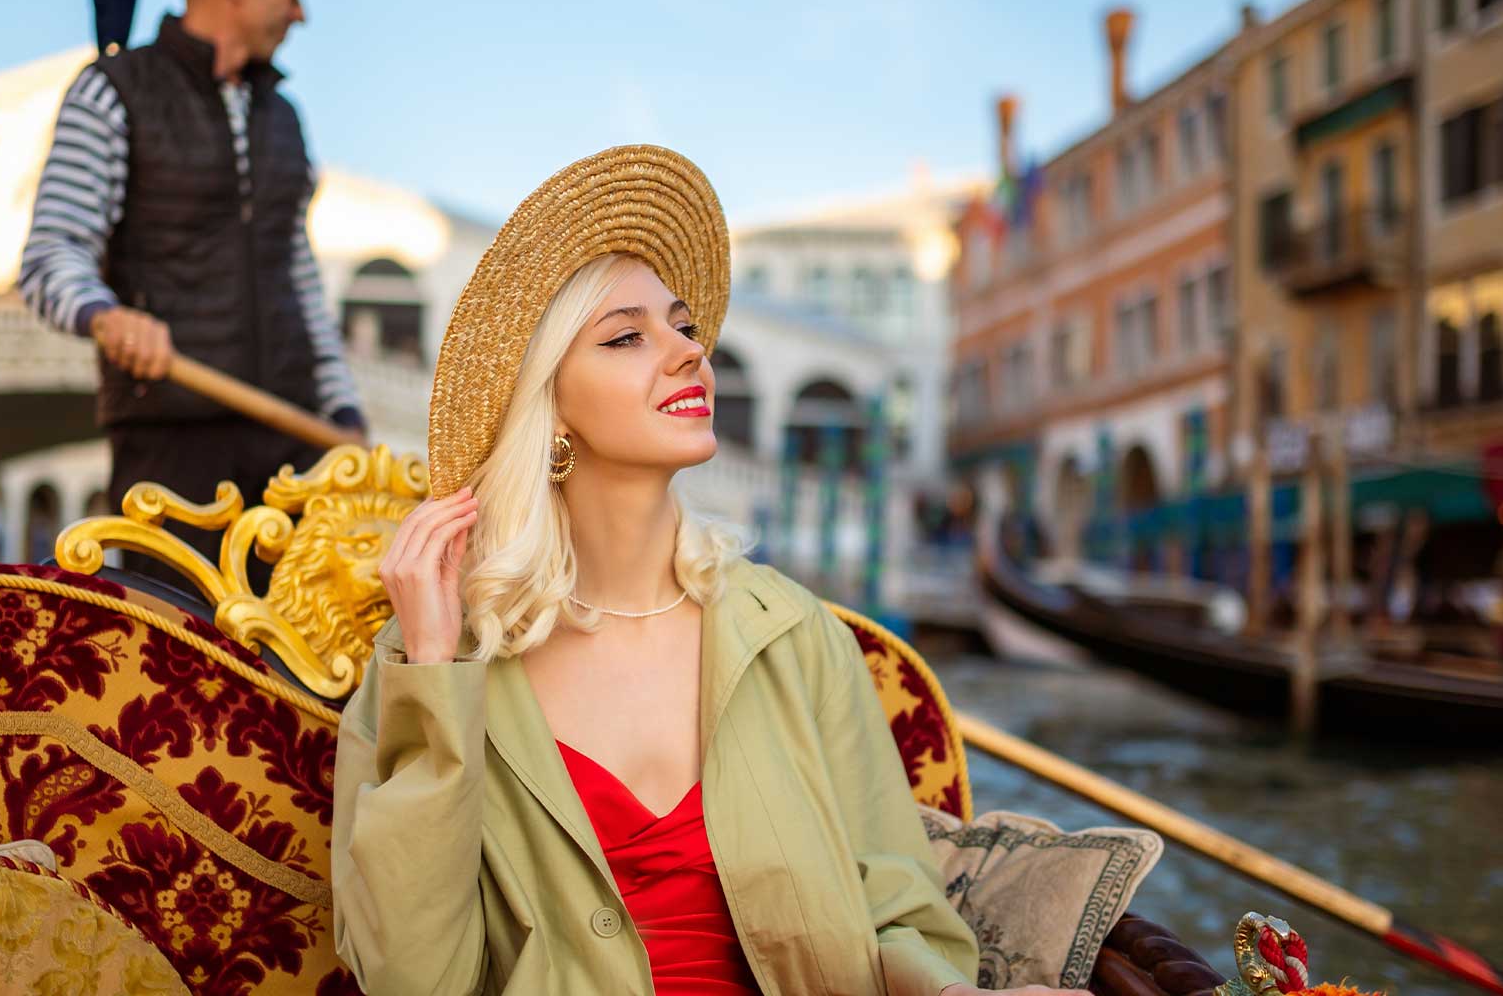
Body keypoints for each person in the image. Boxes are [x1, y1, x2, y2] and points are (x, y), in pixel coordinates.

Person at [330, 146, 1085, 996]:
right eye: (626, 336)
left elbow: (896, 914)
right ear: (548, 411)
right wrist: (434, 676)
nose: (689, 353)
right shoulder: (432, 660)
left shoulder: (796, 637)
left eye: (684, 328)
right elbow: (412, 978)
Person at [17, 0, 364, 585]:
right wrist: (107, 317)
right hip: (173, 451)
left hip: (295, 447)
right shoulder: (113, 90)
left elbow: (298, 279)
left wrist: (344, 410)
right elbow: (50, 253)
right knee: (180, 676)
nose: (301, 11)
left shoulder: (283, 117)